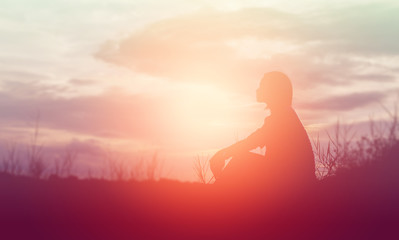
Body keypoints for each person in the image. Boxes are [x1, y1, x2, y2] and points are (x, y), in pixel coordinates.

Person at [210, 72, 315, 187]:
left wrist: (224, 154)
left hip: (291, 185)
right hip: (292, 181)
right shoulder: (284, 115)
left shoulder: (282, 118)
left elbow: (252, 141)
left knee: (240, 161)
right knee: (242, 163)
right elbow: (255, 140)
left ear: (273, 91)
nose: (258, 90)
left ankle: (215, 197)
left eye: (262, 86)